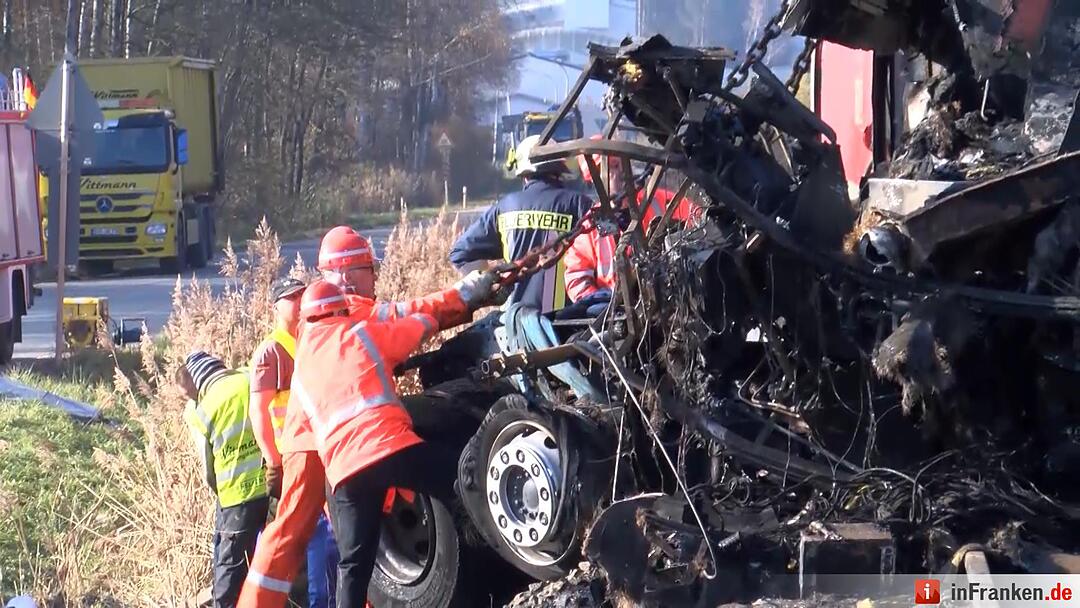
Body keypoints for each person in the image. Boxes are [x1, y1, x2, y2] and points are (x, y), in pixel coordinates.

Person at [237, 226, 488, 608]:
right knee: (459, 481)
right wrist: (467, 295)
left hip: (328, 452)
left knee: (345, 546)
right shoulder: (357, 317)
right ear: (349, 275)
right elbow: (417, 316)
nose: (375, 278)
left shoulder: (309, 334)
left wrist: (275, 457)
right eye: (369, 269)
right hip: (337, 446)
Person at [288, 272, 503, 608]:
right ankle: (500, 559)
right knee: (465, 481)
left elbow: (300, 433)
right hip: (389, 448)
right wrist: (455, 307)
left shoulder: (300, 372)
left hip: (345, 475)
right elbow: (413, 329)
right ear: (340, 311)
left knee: (353, 563)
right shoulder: (360, 335)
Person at [248, 276, 338, 608]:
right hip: (292, 460)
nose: (299, 302)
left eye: (302, 295)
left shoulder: (310, 339)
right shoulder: (272, 350)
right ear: (275, 307)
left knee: (312, 535)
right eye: (291, 298)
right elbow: (258, 410)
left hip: (319, 453)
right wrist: (273, 461)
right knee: (310, 534)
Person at [449, 134, 591, 313]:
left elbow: (460, 253)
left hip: (515, 327)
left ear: (523, 172)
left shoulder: (504, 208)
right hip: (566, 325)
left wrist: (491, 281)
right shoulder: (579, 205)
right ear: (559, 168)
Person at [179, 351, 268, 608]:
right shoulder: (250, 378)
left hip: (236, 496)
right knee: (273, 558)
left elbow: (208, 470)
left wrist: (219, 491)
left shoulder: (203, 409)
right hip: (274, 485)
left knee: (229, 569)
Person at [564, 141, 697, 304]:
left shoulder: (663, 201)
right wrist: (604, 308)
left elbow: (701, 224)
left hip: (672, 306)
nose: (618, 172)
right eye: (610, 167)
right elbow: (576, 276)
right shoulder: (590, 228)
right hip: (619, 316)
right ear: (593, 177)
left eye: (618, 164)